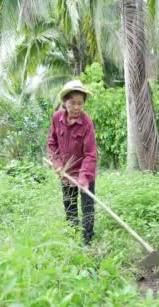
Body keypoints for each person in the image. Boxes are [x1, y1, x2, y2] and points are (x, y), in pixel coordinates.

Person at [47, 80, 98, 245]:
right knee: (69, 206)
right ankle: (73, 237)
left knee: (88, 208)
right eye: (72, 103)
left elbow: (90, 153)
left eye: (80, 103)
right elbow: (52, 142)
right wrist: (57, 164)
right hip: (66, 173)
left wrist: (84, 177)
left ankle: (87, 241)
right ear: (64, 102)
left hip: (85, 173)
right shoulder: (56, 118)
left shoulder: (87, 123)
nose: (77, 107)